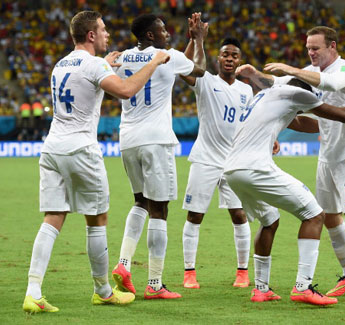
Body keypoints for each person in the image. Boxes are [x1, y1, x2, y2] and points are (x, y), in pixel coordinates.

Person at [22, 10, 170, 314]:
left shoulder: (60, 64)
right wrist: (155, 62)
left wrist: (109, 66)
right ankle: (103, 291)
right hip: (81, 149)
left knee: (53, 216)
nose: (107, 35)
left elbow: (88, 83)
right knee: (97, 219)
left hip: (52, 148)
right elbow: (127, 91)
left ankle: (32, 291)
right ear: (91, 35)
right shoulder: (94, 63)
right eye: (102, 30)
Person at [240, 26, 345, 303]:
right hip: (327, 153)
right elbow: (281, 87)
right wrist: (256, 75)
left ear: (332, 47)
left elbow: (329, 85)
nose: (311, 53)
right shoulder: (308, 72)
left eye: (315, 48)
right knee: (329, 216)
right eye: (308, 49)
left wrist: (289, 68)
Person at [111, 13, 207, 300]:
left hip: (128, 139)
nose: (167, 33)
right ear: (150, 35)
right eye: (162, 30)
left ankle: (124, 264)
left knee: (140, 201)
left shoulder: (122, 57)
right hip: (156, 140)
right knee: (160, 210)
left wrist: (190, 42)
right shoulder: (165, 55)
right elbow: (197, 69)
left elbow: (178, 66)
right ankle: (154, 283)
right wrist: (199, 39)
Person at [179, 36, 254, 289]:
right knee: (195, 215)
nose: (229, 59)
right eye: (225, 55)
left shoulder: (246, 90)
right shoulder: (205, 80)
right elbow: (183, 68)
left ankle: (242, 272)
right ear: (218, 58)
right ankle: (189, 273)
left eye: (234, 55)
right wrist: (196, 40)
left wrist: (270, 140)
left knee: (239, 215)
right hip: (205, 159)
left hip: (234, 161)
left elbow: (252, 122)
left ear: (239, 60)